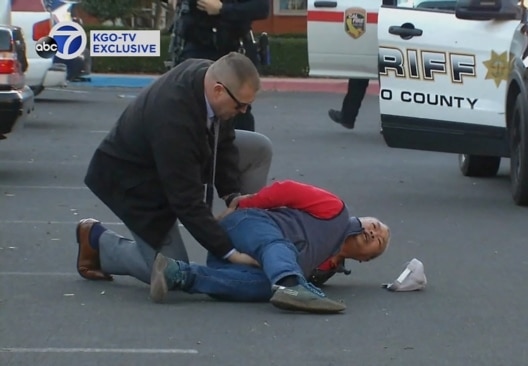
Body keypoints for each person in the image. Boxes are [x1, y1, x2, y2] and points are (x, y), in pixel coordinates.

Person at [75, 52, 273, 286]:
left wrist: (232, 195)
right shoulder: (173, 121)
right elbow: (186, 200)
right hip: (133, 180)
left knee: (259, 148)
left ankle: (245, 225)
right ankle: (98, 243)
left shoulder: (211, 77)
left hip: (178, 158)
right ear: (219, 90)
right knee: (172, 273)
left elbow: (224, 141)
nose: (243, 112)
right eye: (240, 105)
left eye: (247, 106)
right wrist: (228, 251)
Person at [148, 179, 391, 314]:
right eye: (375, 225)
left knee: (265, 286)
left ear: (365, 260)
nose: (373, 232)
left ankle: (177, 273)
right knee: (281, 247)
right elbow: (285, 189)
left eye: (378, 239)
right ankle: (290, 285)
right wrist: (240, 207)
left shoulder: (326, 269)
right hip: (248, 224)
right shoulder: (336, 210)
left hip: (238, 260)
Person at [165, 0, 270, 132]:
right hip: (195, 48)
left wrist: (222, 9)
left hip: (233, 48)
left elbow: (262, 8)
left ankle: (236, 150)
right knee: (191, 110)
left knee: (237, 109)